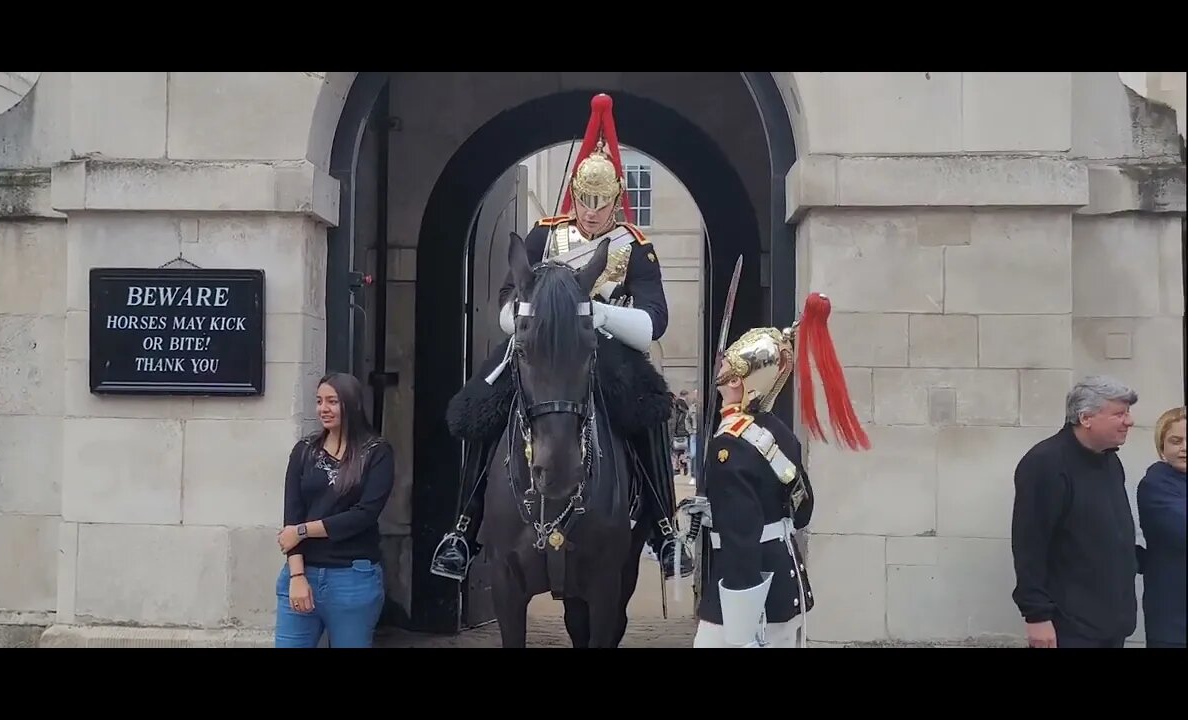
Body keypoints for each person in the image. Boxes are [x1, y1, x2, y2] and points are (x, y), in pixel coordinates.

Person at [431, 92, 692, 582]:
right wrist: (528, 318)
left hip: (602, 347)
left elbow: (655, 321)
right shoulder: (544, 234)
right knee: (480, 405)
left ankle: (662, 526)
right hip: (536, 343)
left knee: (650, 407)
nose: (591, 214)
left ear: (617, 200)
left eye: (601, 204)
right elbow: (508, 299)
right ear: (573, 194)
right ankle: (463, 528)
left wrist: (594, 314)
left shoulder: (635, 248)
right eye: (585, 202)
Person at [687, 292, 871, 648]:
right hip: (787, 583)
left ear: (739, 380)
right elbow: (802, 511)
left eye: (726, 368)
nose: (720, 371)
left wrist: (743, 631)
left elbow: (741, 536)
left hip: (749, 593)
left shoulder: (729, 445)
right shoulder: (778, 432)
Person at [1010, 375, 1139, 649]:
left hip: (1111, 622)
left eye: (1127, 412)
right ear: (1086, 418)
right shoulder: (1045, 464)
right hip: (1069, 626)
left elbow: (1107, 536)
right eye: (1119, 413)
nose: (1129, 421)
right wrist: (1037, 616)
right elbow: (1030, 545)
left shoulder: (1109, 459)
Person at [275, 372, 395, 648]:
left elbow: (364, 514)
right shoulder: (304, 450)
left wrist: (303, 532)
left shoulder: (377, 452)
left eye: (332, 401)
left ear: (351, 404)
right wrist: (296, 575)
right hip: (302, 575)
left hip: (353, 578)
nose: (323, 409)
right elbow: (292, 516)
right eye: (319, 401)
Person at [1136, 406, 1185, 649]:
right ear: (1162, 447)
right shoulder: (1156, 485)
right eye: (1176, 441)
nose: (1184, 447)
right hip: (1174, 617)